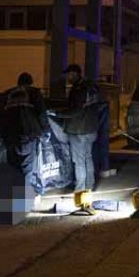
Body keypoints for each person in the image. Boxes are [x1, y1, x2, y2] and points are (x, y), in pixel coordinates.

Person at [0, 72, 50, 194]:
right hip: (28, 135)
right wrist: (45, 132)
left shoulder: (8, 94)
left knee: (13, 166)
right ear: (31, 82)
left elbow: (0, 116)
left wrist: (2, 135)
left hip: (10, 136)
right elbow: (41, 114)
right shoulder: (34, 93)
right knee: (27, 168)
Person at [59, 64, 102, 194]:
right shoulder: (92, 86)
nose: (67, 77)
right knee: (87, 157)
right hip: (91, 129)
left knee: (79, 161)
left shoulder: (78, 89)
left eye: (69, 74)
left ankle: (80, 190)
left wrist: (59, 114)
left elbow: (76, 110)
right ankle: (89, 186)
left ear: (75, 74)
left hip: (79, 130)